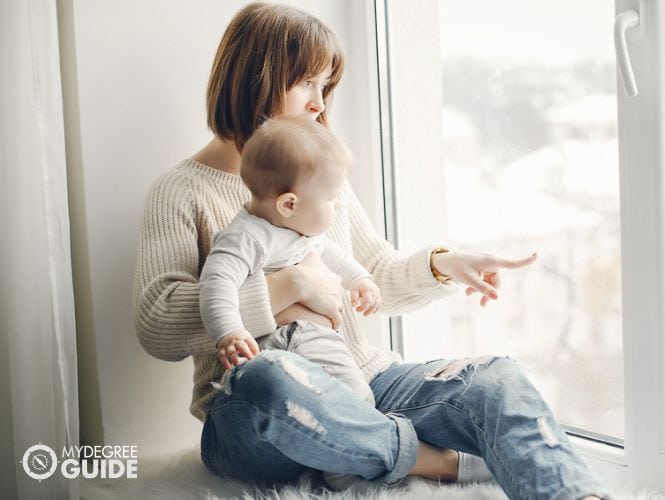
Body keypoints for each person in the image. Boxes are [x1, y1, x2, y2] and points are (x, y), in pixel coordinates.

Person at [132, 3, 610, 499]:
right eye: (307, 83)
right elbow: (156, 323)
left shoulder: (317, 175)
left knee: (497, 380)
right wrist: (289, 285)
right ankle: (431, 460)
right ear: (257, 78)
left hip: (366, 384)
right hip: (251, 408)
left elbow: (374, 276)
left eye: (326, 87)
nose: (319, 103)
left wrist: (443, 266)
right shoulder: (181, 191)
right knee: (271, 381)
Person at [199, 116, 380, 405]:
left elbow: (333, 254)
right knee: (356, 401)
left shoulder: (296, 230)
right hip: (290, 339)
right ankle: (397, 444)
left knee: (344, 404)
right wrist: (229, 333)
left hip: (313, 339)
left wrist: (360, 279)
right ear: (289, 204)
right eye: (332, 198)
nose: (337, 204)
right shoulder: (247, 238)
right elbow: (216, 285)